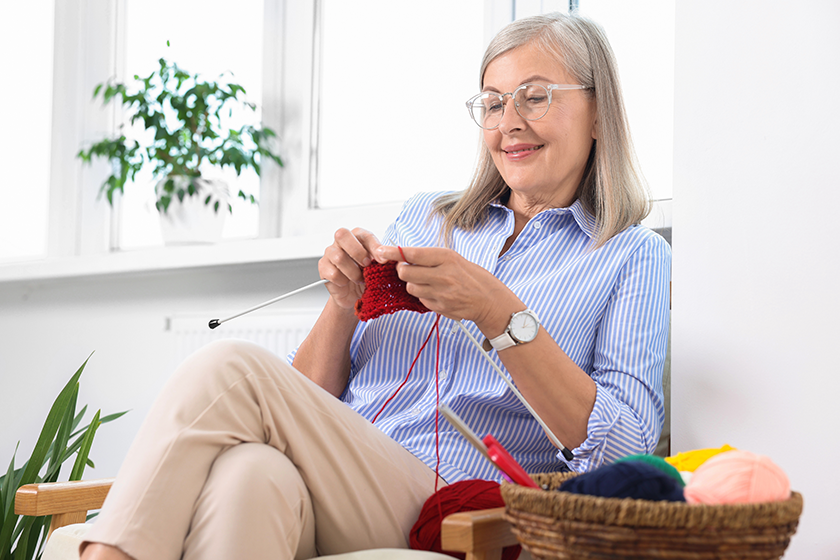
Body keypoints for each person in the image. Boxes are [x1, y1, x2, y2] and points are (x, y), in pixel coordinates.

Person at [81, 11, 670, 560]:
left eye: (534, 97)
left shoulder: (632, 255)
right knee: (251, 477)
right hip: (347, 477)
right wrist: (344, 305)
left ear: (598, 112)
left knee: (229, 368)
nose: (508, 122)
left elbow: (626, 451)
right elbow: (308, 394)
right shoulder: (426, 217)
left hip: (458, 507)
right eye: (492, 103)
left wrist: (499, 313)